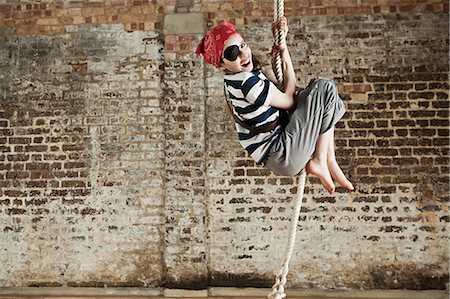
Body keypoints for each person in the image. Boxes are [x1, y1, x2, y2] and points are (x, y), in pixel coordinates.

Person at [195, 18, 354, 194]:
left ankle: (328, 160)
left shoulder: (238, 79)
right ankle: (320, 160)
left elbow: (281, 83)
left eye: (243, 45)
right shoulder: (247, 84)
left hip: (280, 150)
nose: (243, 54)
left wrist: (281, 41)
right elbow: (290, 99)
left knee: (327, 99)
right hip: (282, 154)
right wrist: (285, 56)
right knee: (325, 88)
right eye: (232, 53)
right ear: (221, 64)